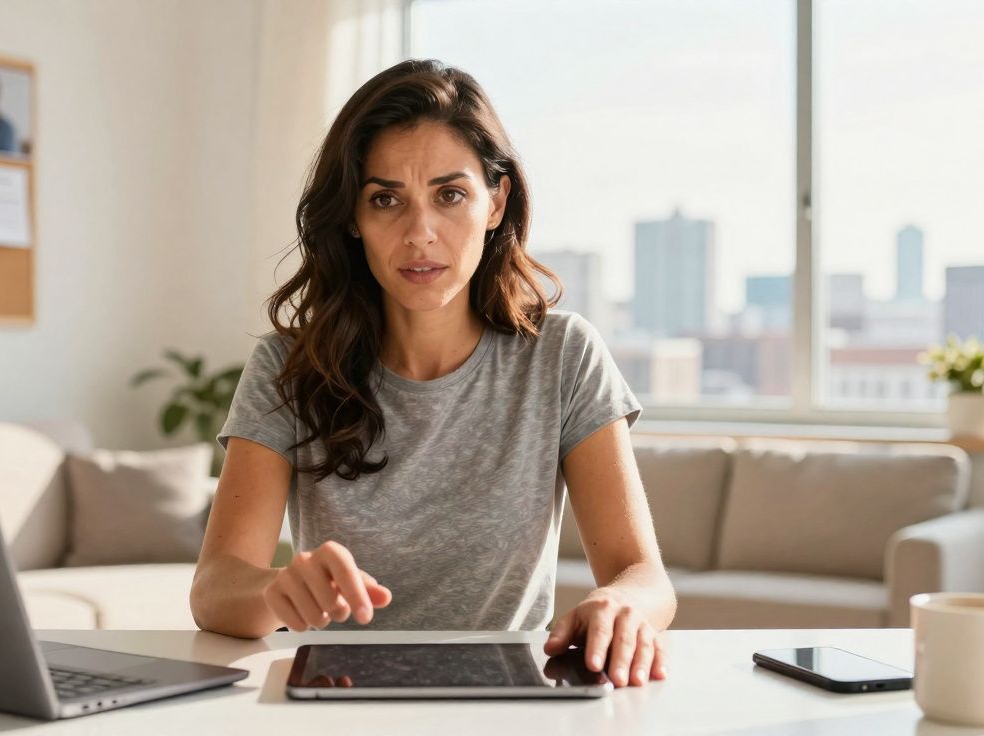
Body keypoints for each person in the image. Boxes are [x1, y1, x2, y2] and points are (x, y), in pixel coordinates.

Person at [191, 59, 676, 690]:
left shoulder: (563, 355)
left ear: (496, 203)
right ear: (352, 218)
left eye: (450, 195)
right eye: (385, 199)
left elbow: (643, 575)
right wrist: (276, 591)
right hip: (341, 702)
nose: (420, 234)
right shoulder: (288, 368)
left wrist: (625, 605)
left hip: (507, 701)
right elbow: (215, 587)